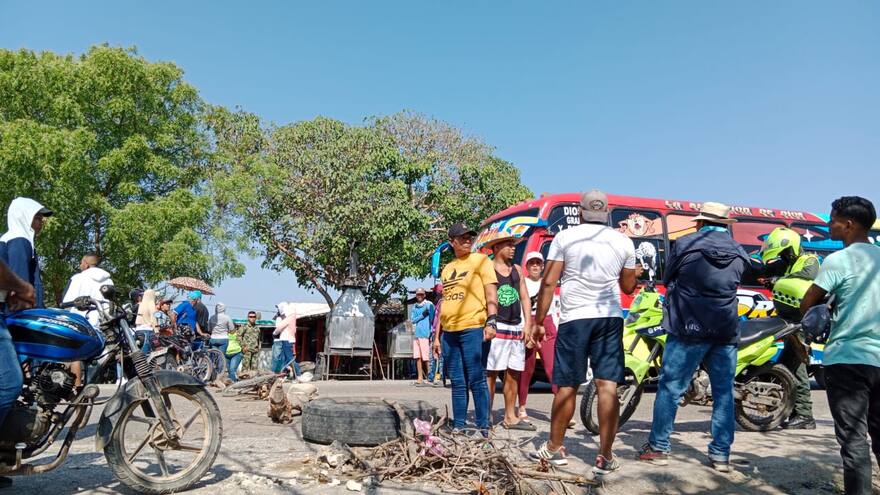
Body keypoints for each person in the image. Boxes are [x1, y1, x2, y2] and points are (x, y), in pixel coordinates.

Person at [530, 190, 640, 475]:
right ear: (606, 213)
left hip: (574, 319)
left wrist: (539, 321)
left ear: (580, 213)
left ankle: (554, 448)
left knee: (567, 386)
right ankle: (604, 456)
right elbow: (628, 288)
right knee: (608, 386)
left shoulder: (565, 238)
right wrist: (633, 273)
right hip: (609, 317)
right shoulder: (624, 241)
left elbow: (548, 283)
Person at [637, 202, 750, 473]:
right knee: (723, 393)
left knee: (671, 388)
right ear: (725, 225)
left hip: (688, 327)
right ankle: (721, 455)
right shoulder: (739, 252)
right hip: (724, 330)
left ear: (700, 223)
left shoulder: (685, 244)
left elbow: (667, 277)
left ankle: (659, 447)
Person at [800, 196, 880, 495]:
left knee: (854, 440)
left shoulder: (838, 261)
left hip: (848, 360)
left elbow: (807, 302)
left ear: (849, 224)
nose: (828, 226)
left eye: (832, 220)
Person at [434, 222, 498, 436]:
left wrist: (491, 321)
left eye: (470, 237)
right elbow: (443, 304)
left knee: (476, 378)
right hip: (449, 332)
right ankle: (459, 425)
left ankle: (482, 427)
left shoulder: (481, 261)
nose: (468, 240)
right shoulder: (447, 269)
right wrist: (436, 337)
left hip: (473, 327)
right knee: (457, 381)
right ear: (452, 242)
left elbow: (491, 293)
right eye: (462, 237)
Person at [759, 226, 820, 429]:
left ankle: (804, 415)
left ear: (792, 248)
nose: (782, 257)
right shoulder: (785, 264)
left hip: (801, 322)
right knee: (786, 367)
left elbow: (806, 277)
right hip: (788, 321)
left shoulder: (809, 261)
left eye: (784, 253)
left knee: (796, 367)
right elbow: (763, 271)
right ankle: (789, 409)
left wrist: (780, 281)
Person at [484, 234, 534, 431]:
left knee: (513, 374)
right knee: (490, 373)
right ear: (496, 248)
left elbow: (525, 298)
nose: (513, 249)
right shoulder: (488, 269)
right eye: (508, 245)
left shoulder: (518, 270)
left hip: (515, 327)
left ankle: (510, 416)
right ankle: (485, 414)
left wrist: (528, 324)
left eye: (513, 245)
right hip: (498, 326)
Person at [0, 260, 36, 488]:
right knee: (9, 383)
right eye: (39, 219)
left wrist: (7, 292)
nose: (40, 222)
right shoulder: (19, 239)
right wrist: (25, 288)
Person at [518, 251, 559, 424]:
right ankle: (521, 406)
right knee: (528, 369)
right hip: (529, 323)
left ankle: (561, 408)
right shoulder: (523, 283)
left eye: (538, 263)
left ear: (543, 266)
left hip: (547, 325)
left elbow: (556, 308)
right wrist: (525, 328)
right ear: (527, 267)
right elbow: (521, 307)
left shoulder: (548, 283)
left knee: (553, 368)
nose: (535, 266)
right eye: (532, 263)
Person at [61, 253, 114, 386]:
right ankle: (88, 386)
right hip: (101, 324)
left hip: (80, 323)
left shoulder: (78, 278)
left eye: (80, 263)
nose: (80, 266)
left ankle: (76, 388)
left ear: (85, 263)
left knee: (75, 355)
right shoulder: (109, 281)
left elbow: (67, 302)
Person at [0, 197, 53, 308]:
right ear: (24, 218)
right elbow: (20, 287)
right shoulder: (20, 240)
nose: (42, 221)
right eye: (38, 218)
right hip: (14, 314)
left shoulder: (11, 238)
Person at [410, 287, 435, 385]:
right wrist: (422, 316)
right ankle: (420, 378)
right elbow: (412, 320)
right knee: (418, 357)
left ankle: (430, 377)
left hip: (425, 334)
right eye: (418, 294)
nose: (419, 296)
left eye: (421, 294)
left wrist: (432, 332)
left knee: (426, 357)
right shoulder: (415, 306)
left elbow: (433, 318)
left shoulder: (429, 305)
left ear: (424, 295)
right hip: (417, 334)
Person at [274, 302, 302, 376]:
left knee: (290, 359)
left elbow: (279, 327)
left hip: (287, 340)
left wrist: (274, 333)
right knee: (285, 359)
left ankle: (298, 374)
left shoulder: (289, 317)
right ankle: (286, 374)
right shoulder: (290, 317)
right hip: (287, 340)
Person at [428, 283, 444, 386]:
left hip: (440, 332)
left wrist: (437, 336)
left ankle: (441, 377)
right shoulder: (437, 303)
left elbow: (440, 320)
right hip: (435, 332)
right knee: (434, 356)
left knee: (439, 355)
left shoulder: (442, 302)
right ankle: (432, 376)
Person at [135, 289, 158, 353]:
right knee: (149, 353)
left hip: (137, 331)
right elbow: (153, 318)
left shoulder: (141, 304)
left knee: (140, 352)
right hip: (147, 331)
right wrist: (156, 331)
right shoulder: (151, 304)